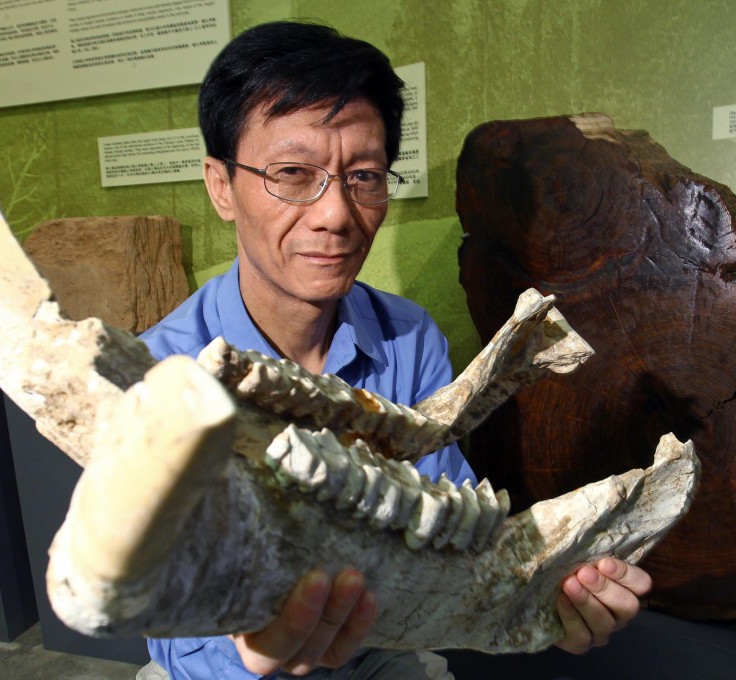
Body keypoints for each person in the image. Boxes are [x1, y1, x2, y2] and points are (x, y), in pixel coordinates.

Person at [137, 20, 652, 680]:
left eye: (364, 176)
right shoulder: (160, 371)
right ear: (220, 185)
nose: (336, 215)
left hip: (378, 653)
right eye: (293, 173)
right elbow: (168, 624)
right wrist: (256, 654)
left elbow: (451, 527)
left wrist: (546, 596)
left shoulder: (408, 338)